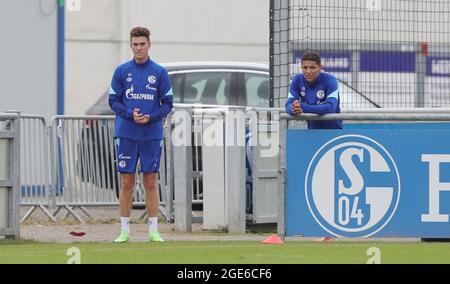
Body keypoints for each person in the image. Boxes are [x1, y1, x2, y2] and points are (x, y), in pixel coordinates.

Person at [109, 27, 173, 243]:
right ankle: (124, 230)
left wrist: (152, 116)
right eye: (135, 44)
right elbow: (113, 101)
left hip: (151, 135)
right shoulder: (121, 71)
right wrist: (129, 113)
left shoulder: (160, 73)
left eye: (142, 44)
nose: (138, 48)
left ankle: (153, 230)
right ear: (131, 45)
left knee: (151, 182)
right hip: (126, 134)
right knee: (126, 182)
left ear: (149, 45)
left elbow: (168, 104)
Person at [285, 51, 343, 129]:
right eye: (305, 68)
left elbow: (330, 107)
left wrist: (302, 107)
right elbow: (288, 104)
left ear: (320, 67)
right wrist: (294, 109)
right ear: (301, 67)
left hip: (333, 133)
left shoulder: (330, 79)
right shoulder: (297, 79)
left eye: (312, 67)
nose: (308, 71)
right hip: (312, 133)